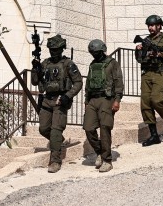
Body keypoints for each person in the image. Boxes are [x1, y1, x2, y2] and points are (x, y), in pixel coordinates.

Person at [30, 34, 83, 173]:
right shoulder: (45, 64)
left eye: (56, 49)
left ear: (61, 49)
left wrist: (67, 96)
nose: (53, 52)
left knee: (55, 131)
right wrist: (35, 69)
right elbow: (34, 82)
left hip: (60, 100)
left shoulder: (68, 64)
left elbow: (78, 82)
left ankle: (55, 161)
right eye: (51, 50)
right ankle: (58, 140)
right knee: (43, 129)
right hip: (47, 100)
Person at [135, 15, 163, 146]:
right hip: (147, 74)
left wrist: (160, 54)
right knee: (145, 105)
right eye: (149, 25)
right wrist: (138, 51)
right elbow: (140, 59)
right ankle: (154, 135)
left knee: (157, 100)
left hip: (161, 73)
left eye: (153, 25)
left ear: (159, 26)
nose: (150, 28)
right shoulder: (146, 40)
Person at [82, 39, 123, 172]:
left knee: (105, 128)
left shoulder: (112, 63)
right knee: (88, 127)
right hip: (93, 99)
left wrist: (117, 100)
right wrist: (86, 100)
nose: (94, 55)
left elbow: (118, 82)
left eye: (96, 52)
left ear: (102, 51)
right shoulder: (93, 64)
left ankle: (107, 160)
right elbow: (88, 83)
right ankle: (99, 151)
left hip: (107, 99)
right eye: (92, 53)